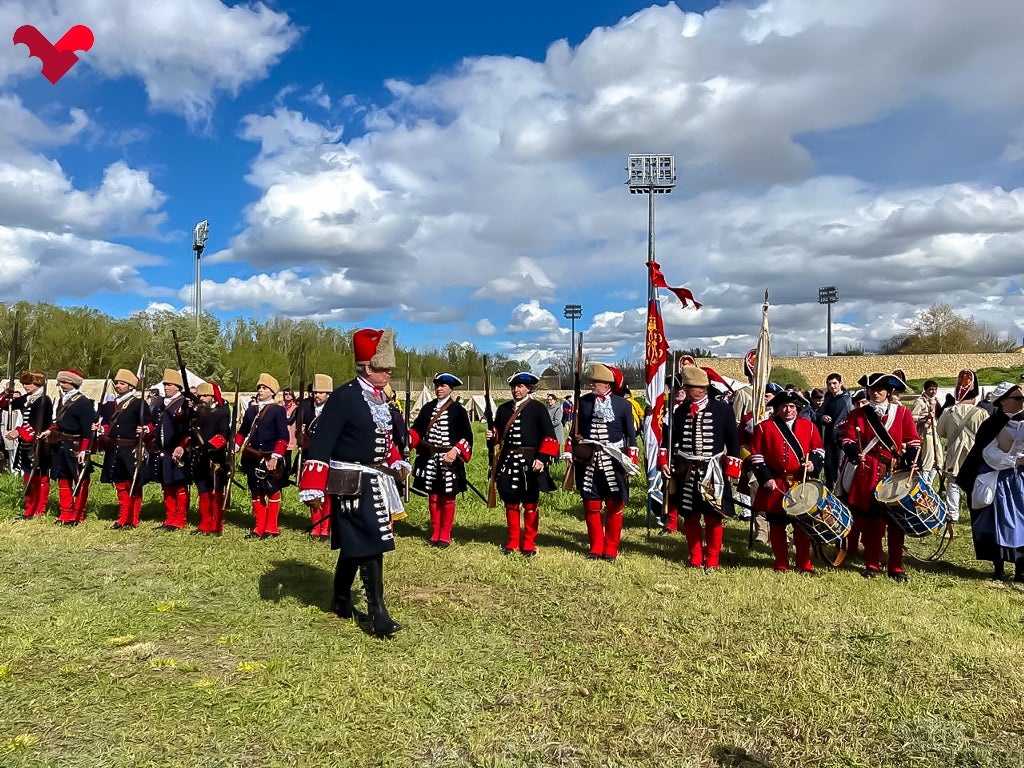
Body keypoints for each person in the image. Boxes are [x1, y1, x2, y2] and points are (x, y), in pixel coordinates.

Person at [298, 328, 409, 637]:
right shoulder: (345, 397)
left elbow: (382, 438)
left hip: (374, 479)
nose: (388, 374)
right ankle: (377, 613)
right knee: (372, 541)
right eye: (383, 369)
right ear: (367, 367)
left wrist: (395, 459)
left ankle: (340, 599)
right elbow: (322, 442)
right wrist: (313, 485)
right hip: (350, 482)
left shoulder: (379, 398)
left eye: (389, 369)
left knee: (355, 544)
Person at [659, 365, 741, 571]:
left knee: (713, 516)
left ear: (701, 388)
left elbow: (733, 441)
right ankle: (695, 556)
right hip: (686, 470)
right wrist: (663, 463)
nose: (684, 391)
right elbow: (667, 442)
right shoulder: (678, 412)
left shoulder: (722, 409)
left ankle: (712, 559)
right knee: (690, 514)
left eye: (688, 387)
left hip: (713, 471)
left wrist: (731, 469)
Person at [840, 372, 920, 581]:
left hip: (893, 471)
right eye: (873, 390)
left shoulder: (902, 413)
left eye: (880, 390)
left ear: (889, 392)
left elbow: (913, 441)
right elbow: (847, 439)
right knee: (871, 522)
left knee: (896, 523)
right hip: (868, 472)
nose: (876, 393)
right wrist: (853, 451)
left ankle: (895, 567)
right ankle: (872, 564)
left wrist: (911, 459)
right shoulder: (858, 414)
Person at [749, 390, 825, 574]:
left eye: (792, 406)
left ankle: (804, 563)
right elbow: (757, 456)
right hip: (776, 482)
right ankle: (781, 562)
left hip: (800, 483)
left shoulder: (810, 426)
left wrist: (812, 463)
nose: (788, 410)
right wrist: (765, 478)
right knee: (777, 525)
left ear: (797, 408)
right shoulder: (763, 427)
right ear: (776, 409)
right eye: (784, 406)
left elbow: (819, 450)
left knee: (802, 526)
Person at [955, 382, 1024, 581]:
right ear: (1003, 401)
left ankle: (1021, 569)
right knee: (999, 523)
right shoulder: (991, 424)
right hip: (998, 480)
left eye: (1023, 399)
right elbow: (988, 453)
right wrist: (1016, 461)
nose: (1022, 402)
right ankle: (999, 568)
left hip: (1020, 481)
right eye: (1017, 399)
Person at [486, 372, 559, 557]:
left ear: (529, 388)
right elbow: (497, 435)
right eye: (514, 386)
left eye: (520, 386)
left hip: (530, 462)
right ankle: (512, 541)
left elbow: (549, 436)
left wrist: (541, 459)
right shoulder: (503, 409)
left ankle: (528, 542)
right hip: (508, 462)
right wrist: (491, 436)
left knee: (529, 504)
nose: (516, 390)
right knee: (510, 503)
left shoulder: (537, 408)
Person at [571, 363, 638, 561]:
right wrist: (571, 453)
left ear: (607, 384)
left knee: (614, 504)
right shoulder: (582, 403)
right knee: (591, 504)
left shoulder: (623, 405)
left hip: (614, 459)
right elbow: (575, 431)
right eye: (592, 381)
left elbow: (630, 436)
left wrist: (630, 462)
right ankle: (596, 546)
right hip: (589, 460)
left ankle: (611, 547)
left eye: (597, 382)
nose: (593, 385)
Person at [410, 373, 474, 548]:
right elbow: (417, 430)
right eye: (437, 385)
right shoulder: (427, 408)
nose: (439, 388)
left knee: (448, 497)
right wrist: (408, 440)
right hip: (430, 459)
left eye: (443, 386)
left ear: (450, 389)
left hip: (450, 460)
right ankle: (435, 530)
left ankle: (445, 533)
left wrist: (455, 451)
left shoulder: (458, 410)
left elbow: (467, 436)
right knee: (433, 496)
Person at [235, 373, 289, 539]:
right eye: (259, 387)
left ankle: (271, 527)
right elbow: (243, 431)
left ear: (272, 392)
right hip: (252, 456)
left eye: (264, 388)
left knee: (272, 490)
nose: (260, 390)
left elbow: (283, 436)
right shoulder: (252, 410)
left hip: (269, 456)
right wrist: (236, 445)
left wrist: (275, 457)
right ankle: (259, 526)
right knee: (256, 490)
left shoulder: (278, 410)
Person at [40, 369, 96, 526]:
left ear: (73, 383)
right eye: (60, 382)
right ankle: (65, 512)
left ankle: (78, 514)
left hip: (76, 445)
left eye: (64, 382)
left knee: (80, 480)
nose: (61, 385)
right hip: (60, 444)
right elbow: (60, 421)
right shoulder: (62, 400)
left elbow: (88, 429)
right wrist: (49, 431)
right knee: (63, 480)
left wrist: (84, 450)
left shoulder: (83, 402)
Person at [98, 369, 152, 530]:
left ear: (130, 386)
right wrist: (101, 429)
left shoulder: (138, 403)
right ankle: (123, 517)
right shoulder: (111, 405)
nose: (118, 386)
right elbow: (109, 424)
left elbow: (150, 423)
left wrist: (146, 430)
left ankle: (133, 518)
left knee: (133, 483)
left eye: (122, 383)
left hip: (130, 448)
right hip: (114, 447)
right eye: (117, 383)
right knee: (120, 483)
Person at [936, 370, 987, 529]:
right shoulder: (982, 413)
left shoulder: (948, 411)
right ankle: (977, 513)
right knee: (974, 484)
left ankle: (952, 514)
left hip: (954, 453)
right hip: (975, 455)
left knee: (954, 483)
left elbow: (940, 432)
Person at [1, 371, 53, 519]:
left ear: (37, 383)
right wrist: (7, 394)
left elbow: (40, 423)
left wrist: (19, 431)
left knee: (40, 477)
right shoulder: (27, 398)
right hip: (26, 443)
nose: (25, 387)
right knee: (27, 476)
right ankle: (30, 507)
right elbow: (5, 405)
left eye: (28, 384)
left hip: (40, 443)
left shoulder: (44, 400)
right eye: (24, 384)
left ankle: (40, 509)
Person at [149, 369, 193, 531]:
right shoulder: (160, 403)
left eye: (169, 385)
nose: (166, 387)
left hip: (179, 450)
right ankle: (169, 518)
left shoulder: (184, 403)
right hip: (163, 451)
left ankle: (180, 519)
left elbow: (190, 428)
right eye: (165, 384)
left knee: (179, 485)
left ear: (177, 386)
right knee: (166, 485)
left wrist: (182, 445)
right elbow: (154, 423)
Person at [191, 381, 231, 535]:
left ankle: (216, 525)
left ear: (212, 396)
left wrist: (210, 446)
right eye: (200, 395)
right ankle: (205, 523)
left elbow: (223, 435)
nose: (202, 398)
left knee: (216, 491)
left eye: (206, 395)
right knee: (203, 491)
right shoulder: (197, 413)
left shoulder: (221, 413)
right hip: (199, 456)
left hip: (215, 456)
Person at [300, 374, 333, 540]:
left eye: (320, 392)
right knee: (312, 491)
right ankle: (315, 525)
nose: (317, 395)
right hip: (310, 454)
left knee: (326, 493)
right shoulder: (307, 408)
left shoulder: (334, 410)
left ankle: (325, 528)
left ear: (328, 394)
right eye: (315, 391)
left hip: (327, 455)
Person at [815, 373, 851, 489]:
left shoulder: (847, 399)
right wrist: (822, 417)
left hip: (842, 437)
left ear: (840, 383)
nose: (832, 386)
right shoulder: (828, 398)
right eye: (829, 384)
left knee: (841, 465)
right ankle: (829, 489)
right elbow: (819, 413)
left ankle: (841, 490)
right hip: (829, 437)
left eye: (835, 383)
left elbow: (851, 417)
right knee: (829, 465)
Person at [911, 379, 944, 487]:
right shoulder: (920, 401)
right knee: (928, 458)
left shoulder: (937, 401)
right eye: (931, 389)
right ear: (925, 390)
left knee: (939, 459)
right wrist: (925, 417)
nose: (933, 392)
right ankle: (924, 482)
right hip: (926, 433)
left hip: (936, 432)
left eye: (935, 389)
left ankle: (931, 481)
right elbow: (912, 418)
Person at [545, 393, 565, 461]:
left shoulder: (558, 409)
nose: (549, 401)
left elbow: (557, 421)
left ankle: (557, 463)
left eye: (551, 400)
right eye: (548, 400)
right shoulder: (548, 408)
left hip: (557, 431)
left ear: (555, 400)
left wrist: (548, 425)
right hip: (550, 431)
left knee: (556, 449)